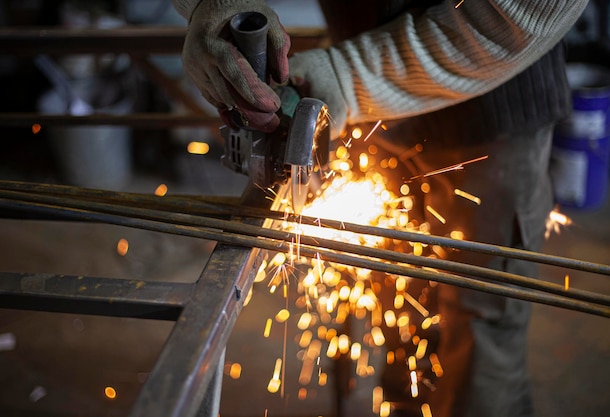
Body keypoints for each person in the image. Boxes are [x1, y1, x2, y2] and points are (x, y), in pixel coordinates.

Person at [173, 0, 588, 416]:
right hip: (372, 112)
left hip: (497, 109)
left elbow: (523, 16)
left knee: (481, 342)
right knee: (400, 310)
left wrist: (344, 76)